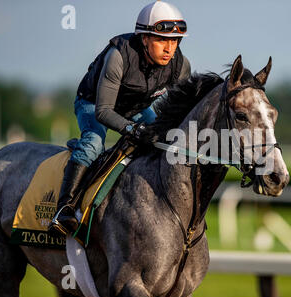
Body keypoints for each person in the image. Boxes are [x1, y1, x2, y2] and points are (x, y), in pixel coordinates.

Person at [49, 1, 191, 236]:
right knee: (94, 144)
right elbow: (103, 112)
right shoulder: (118, 56)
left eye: (174, 40)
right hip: (94, 103)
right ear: (144, 38)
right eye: (162, 39)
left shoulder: (180, 65)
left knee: (165, 140)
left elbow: (178, 113)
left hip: (135, 107)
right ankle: (64, 209)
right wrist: (134, 130)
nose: (169, 48)